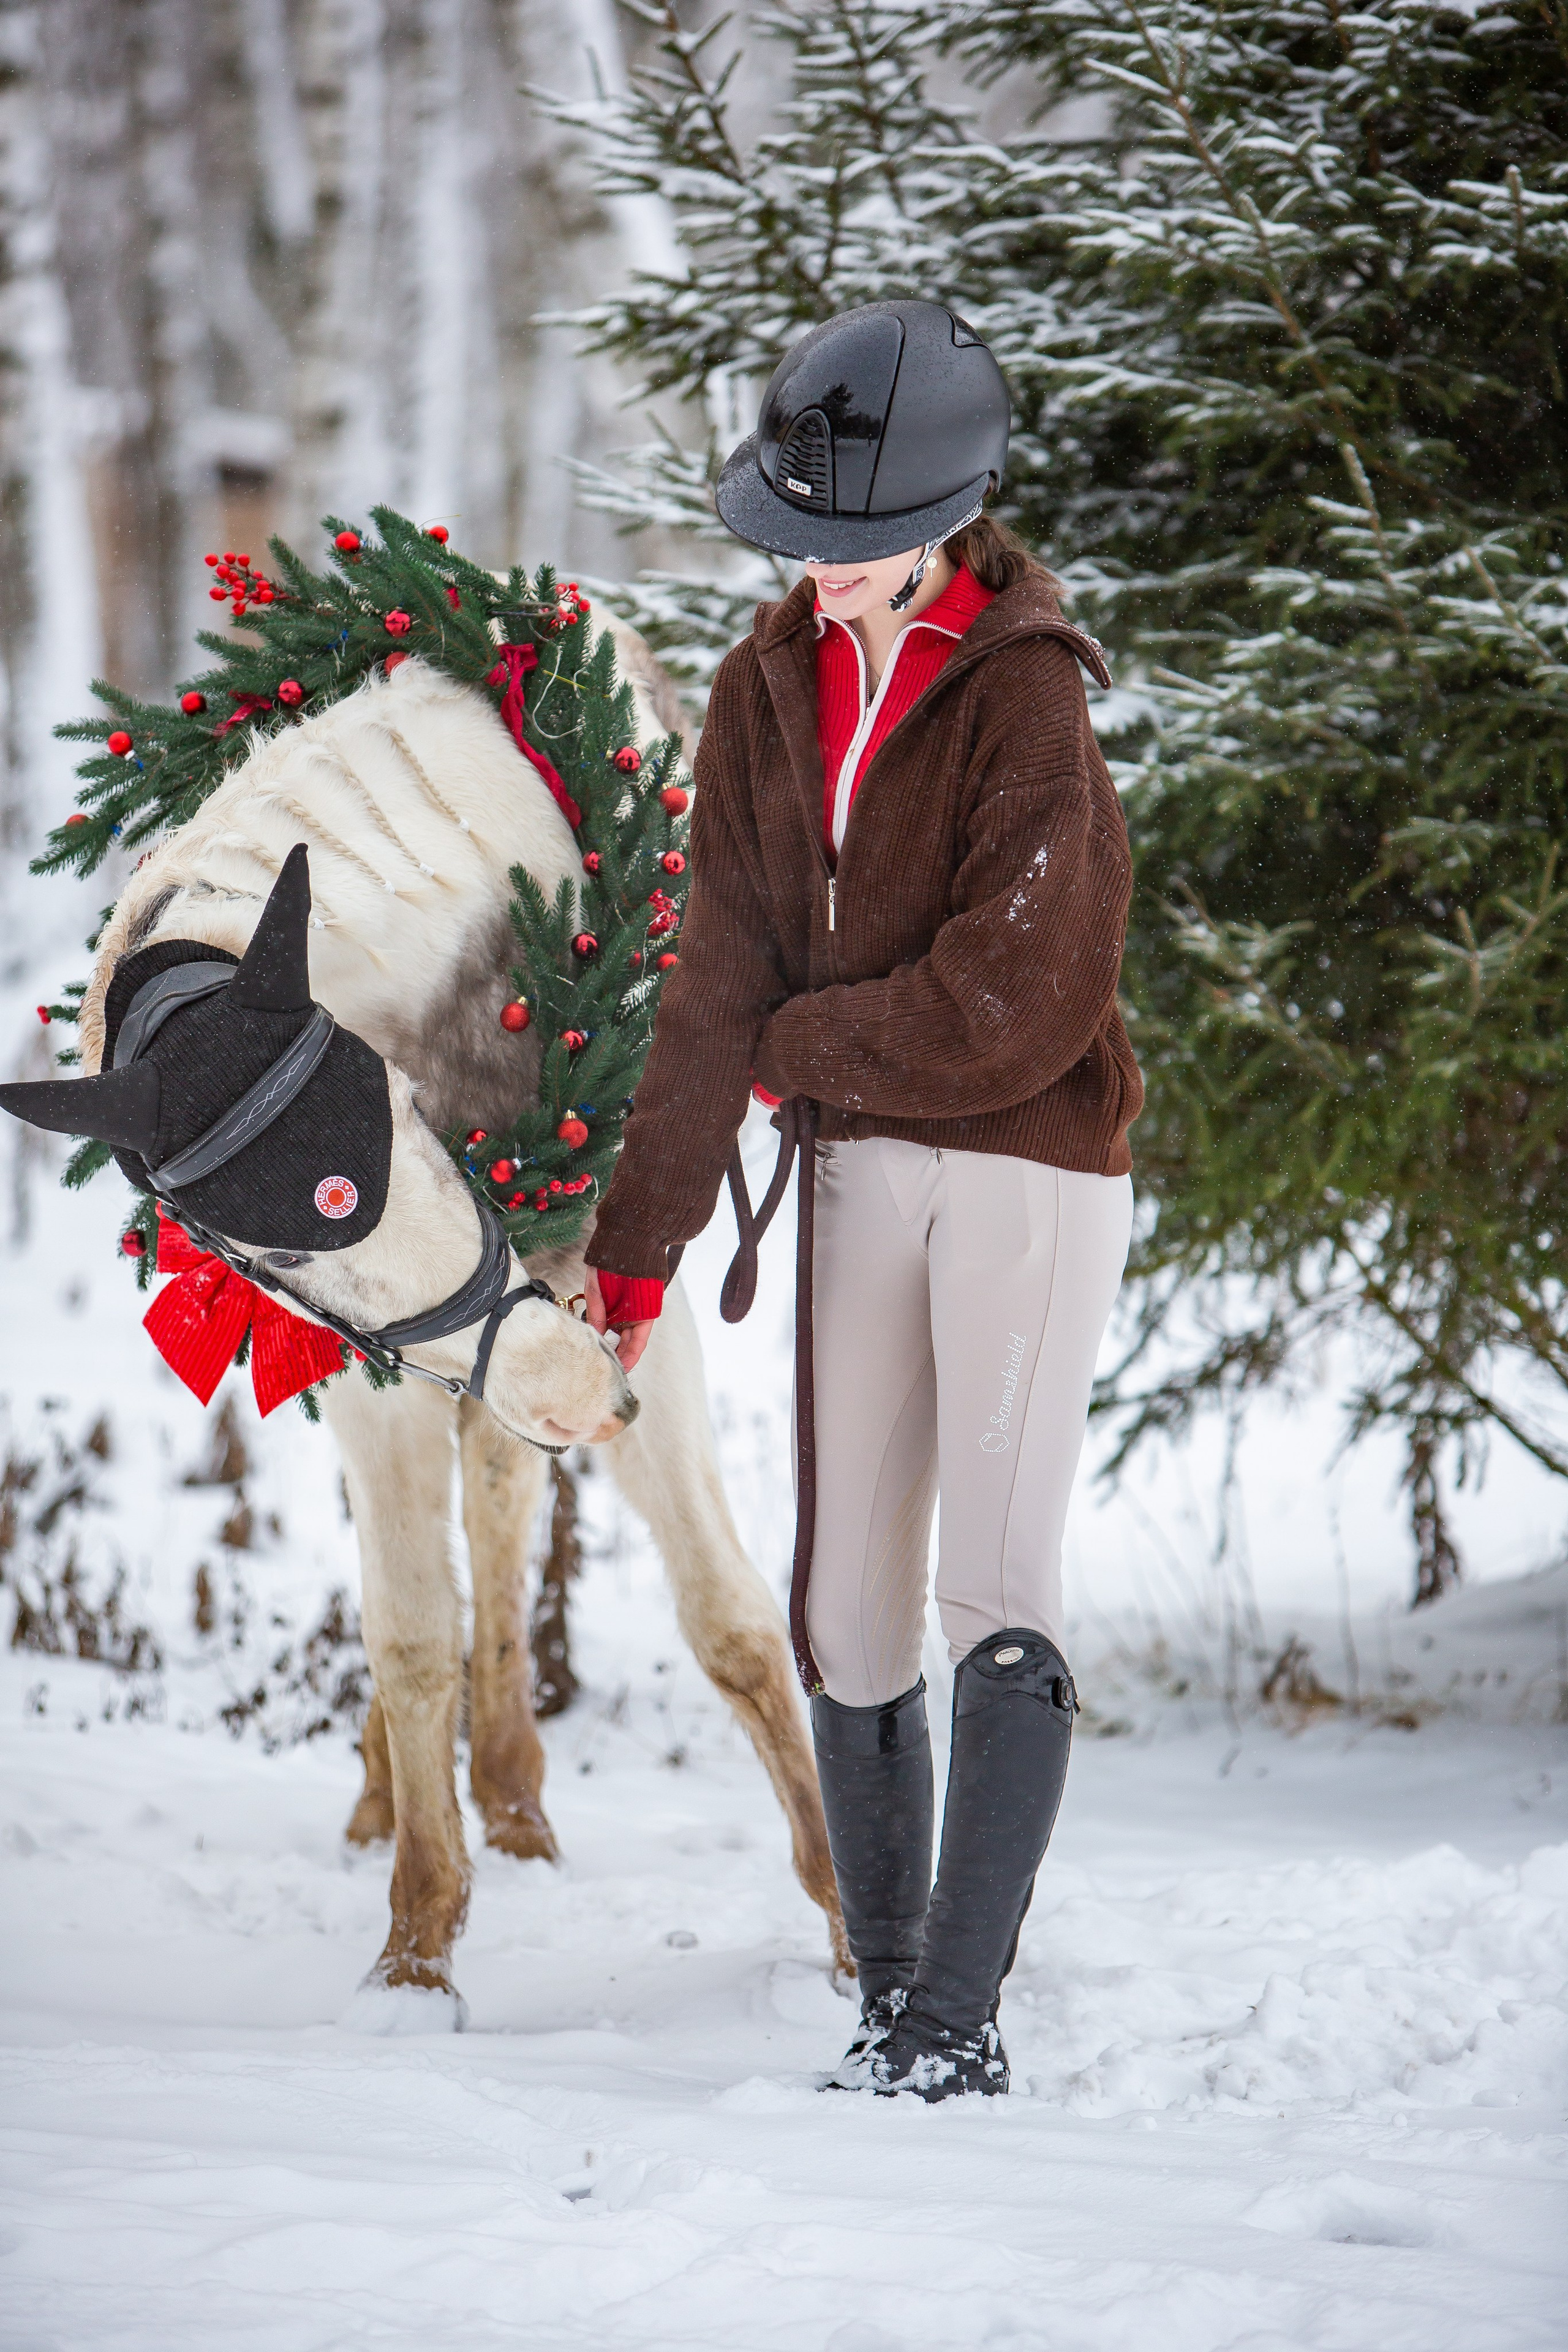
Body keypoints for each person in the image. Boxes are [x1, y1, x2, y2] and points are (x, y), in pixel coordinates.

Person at [584, 301, 1142, 2100]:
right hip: (853, 1165)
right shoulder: (764, 693)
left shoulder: (1032, 693)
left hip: (1026, 1167)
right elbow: (709, 983)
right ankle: (883, 1996)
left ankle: (953, 2026)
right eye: (800, 542)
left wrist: (804, 1039)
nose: (818, 577)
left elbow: (1017, 998)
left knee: (995, 1582)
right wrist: (637, 1237)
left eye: (853, 548)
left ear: (948, 519)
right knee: (842, 1605)